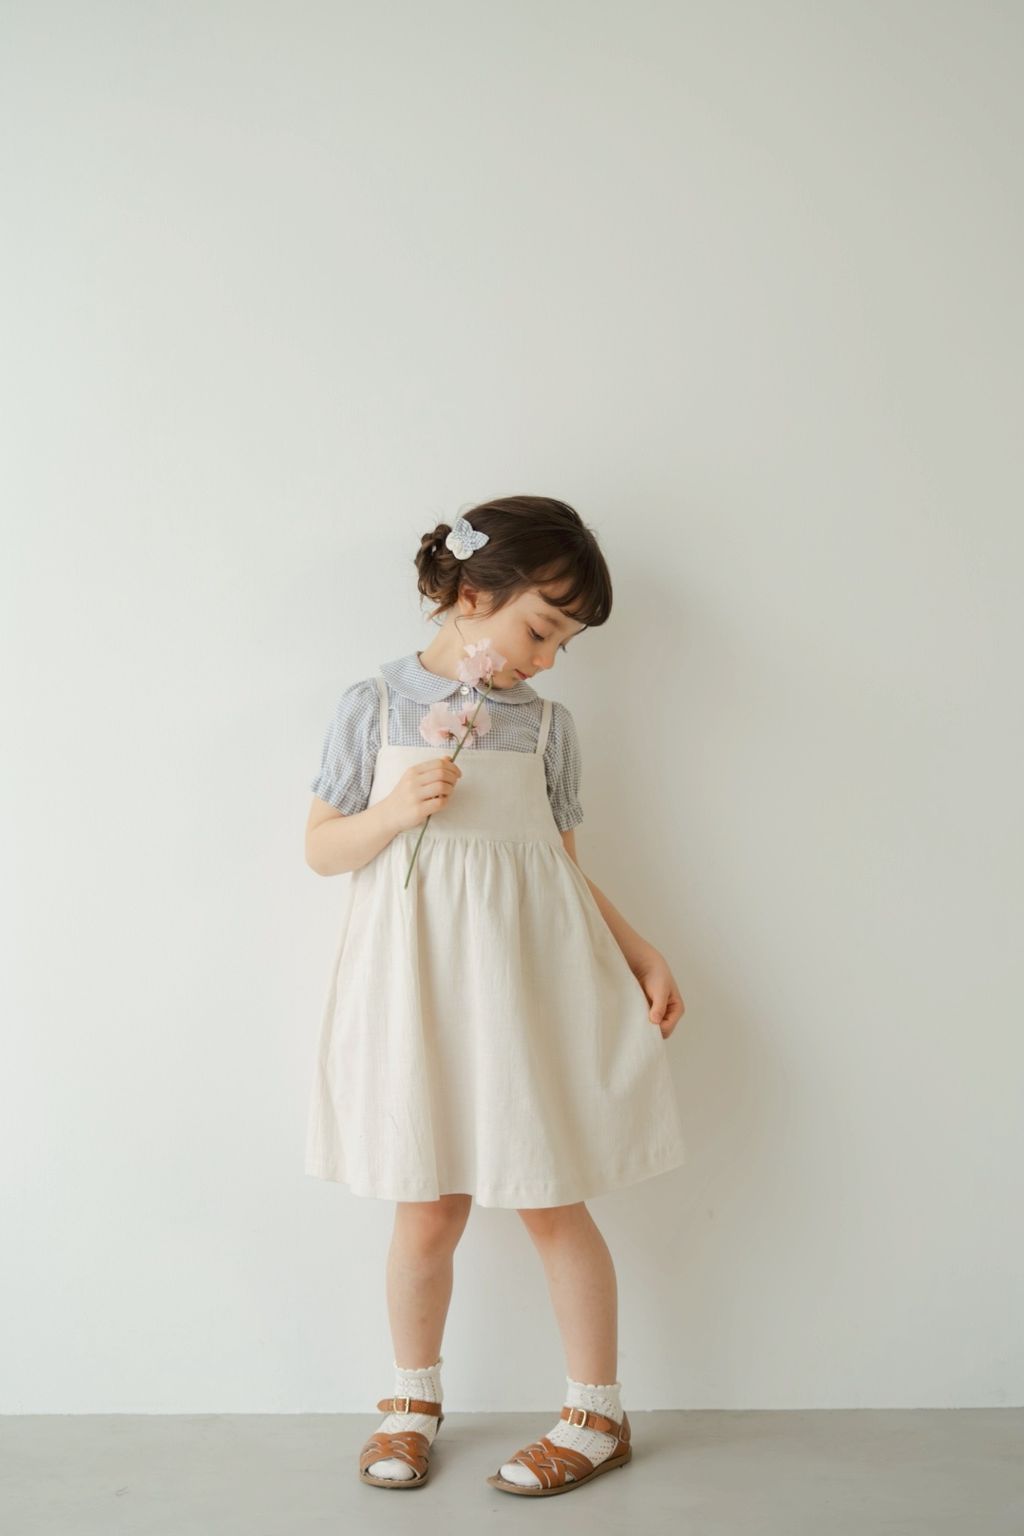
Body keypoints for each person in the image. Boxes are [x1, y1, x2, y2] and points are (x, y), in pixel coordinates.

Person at [303, 494, 688, 1496]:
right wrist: (395, 811)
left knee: (551, 1198)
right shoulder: (373, 706)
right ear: (473, 594)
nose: (548, 660)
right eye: (541, 630)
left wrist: (638, 950)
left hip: (521, 997)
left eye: (565, 643)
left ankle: (595, 1414)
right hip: (419, 996)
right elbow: (321, 850)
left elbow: (560, 867)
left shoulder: (546, 727)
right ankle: (410, 1403)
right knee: (426, 1207)